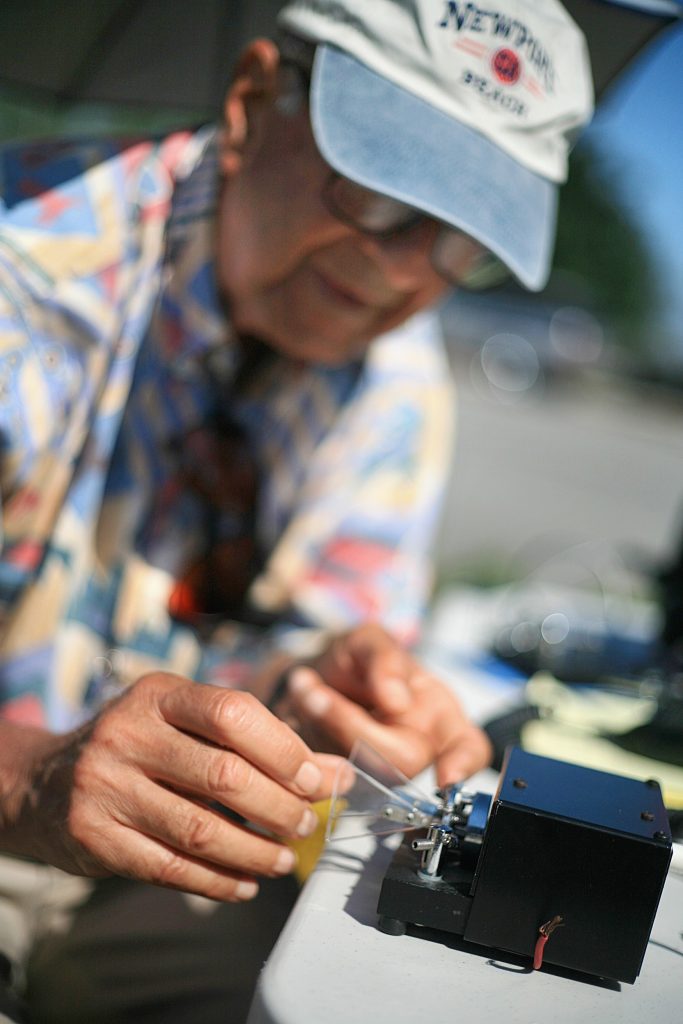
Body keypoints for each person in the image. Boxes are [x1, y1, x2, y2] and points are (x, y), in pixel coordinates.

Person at [0, 0, 594, 1020]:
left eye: (463, 237)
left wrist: (321, 682)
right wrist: (33, 776)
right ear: (250, 104)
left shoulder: (395, 381)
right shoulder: (26, 291)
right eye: (384, 191)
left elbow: (280, 645)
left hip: (171, 863)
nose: (407, 271)